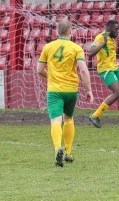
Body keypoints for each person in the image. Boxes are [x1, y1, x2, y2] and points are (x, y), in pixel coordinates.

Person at [37, 19, 94, 167]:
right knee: (68, 118)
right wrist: (88, 89)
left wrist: (52, 77)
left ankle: (58, 149)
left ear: (57, 32)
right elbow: (83, 70)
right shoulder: (76, 48)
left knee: (56, 120)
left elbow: (39, 70)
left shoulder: (48, 47)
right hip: (71, 90)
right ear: (71, 32)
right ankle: (68, 152)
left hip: (55, 91)